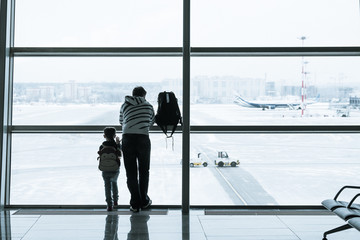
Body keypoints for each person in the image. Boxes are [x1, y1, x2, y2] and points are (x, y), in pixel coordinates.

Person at [119, 86, 155, 212]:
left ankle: (135, 203)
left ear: (133, 94)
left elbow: (121, 121)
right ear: (144, 95)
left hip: (127, 138)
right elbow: (151, 122)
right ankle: (144, 200)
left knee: (131, 173)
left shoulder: (125, 105)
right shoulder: (149, 106)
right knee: (144, 171)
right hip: (143, 138)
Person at [99, 127, 121, 211]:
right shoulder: (116, 145)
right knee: (114, 183)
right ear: (115, 135)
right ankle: (115, 201)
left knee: (107, 186)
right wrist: (118, 144)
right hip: (115, 168)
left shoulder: (102, 146)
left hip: (105, 169)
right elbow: (119, 155)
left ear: (104, 136)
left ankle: (109, 205)